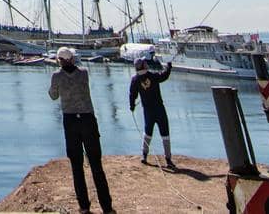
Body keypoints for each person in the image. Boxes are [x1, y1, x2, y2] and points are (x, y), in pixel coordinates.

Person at [47, 47, 114, 214]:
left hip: (70, 121)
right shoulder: (83, 73)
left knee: (76, 166)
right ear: (72, 58)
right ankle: (106, 206)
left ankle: (84, 207)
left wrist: (54, 82)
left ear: (59, 60)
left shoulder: (56, 76)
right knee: (96, 164)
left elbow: (53, 96)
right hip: (88, 120)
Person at [128, 57, 175, 169]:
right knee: (165, 134)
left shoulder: (135, 80)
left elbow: (132, 94)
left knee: (147, 132)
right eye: (145, 63)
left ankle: (144, 156)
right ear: (144, 66)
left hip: (148, 110)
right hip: (159, 109)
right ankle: (168, 159)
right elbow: (164, 76)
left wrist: (132, 105)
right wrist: (168, 67)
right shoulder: (152, 76)